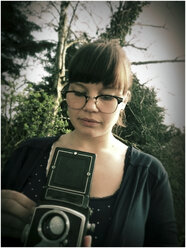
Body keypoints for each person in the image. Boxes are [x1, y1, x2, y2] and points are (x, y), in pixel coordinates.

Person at [2, 41, 178, 247]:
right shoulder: (27, 154)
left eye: (106, 96)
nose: (90, 106)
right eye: (78, 93)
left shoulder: (148, 174)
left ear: (125, 100)